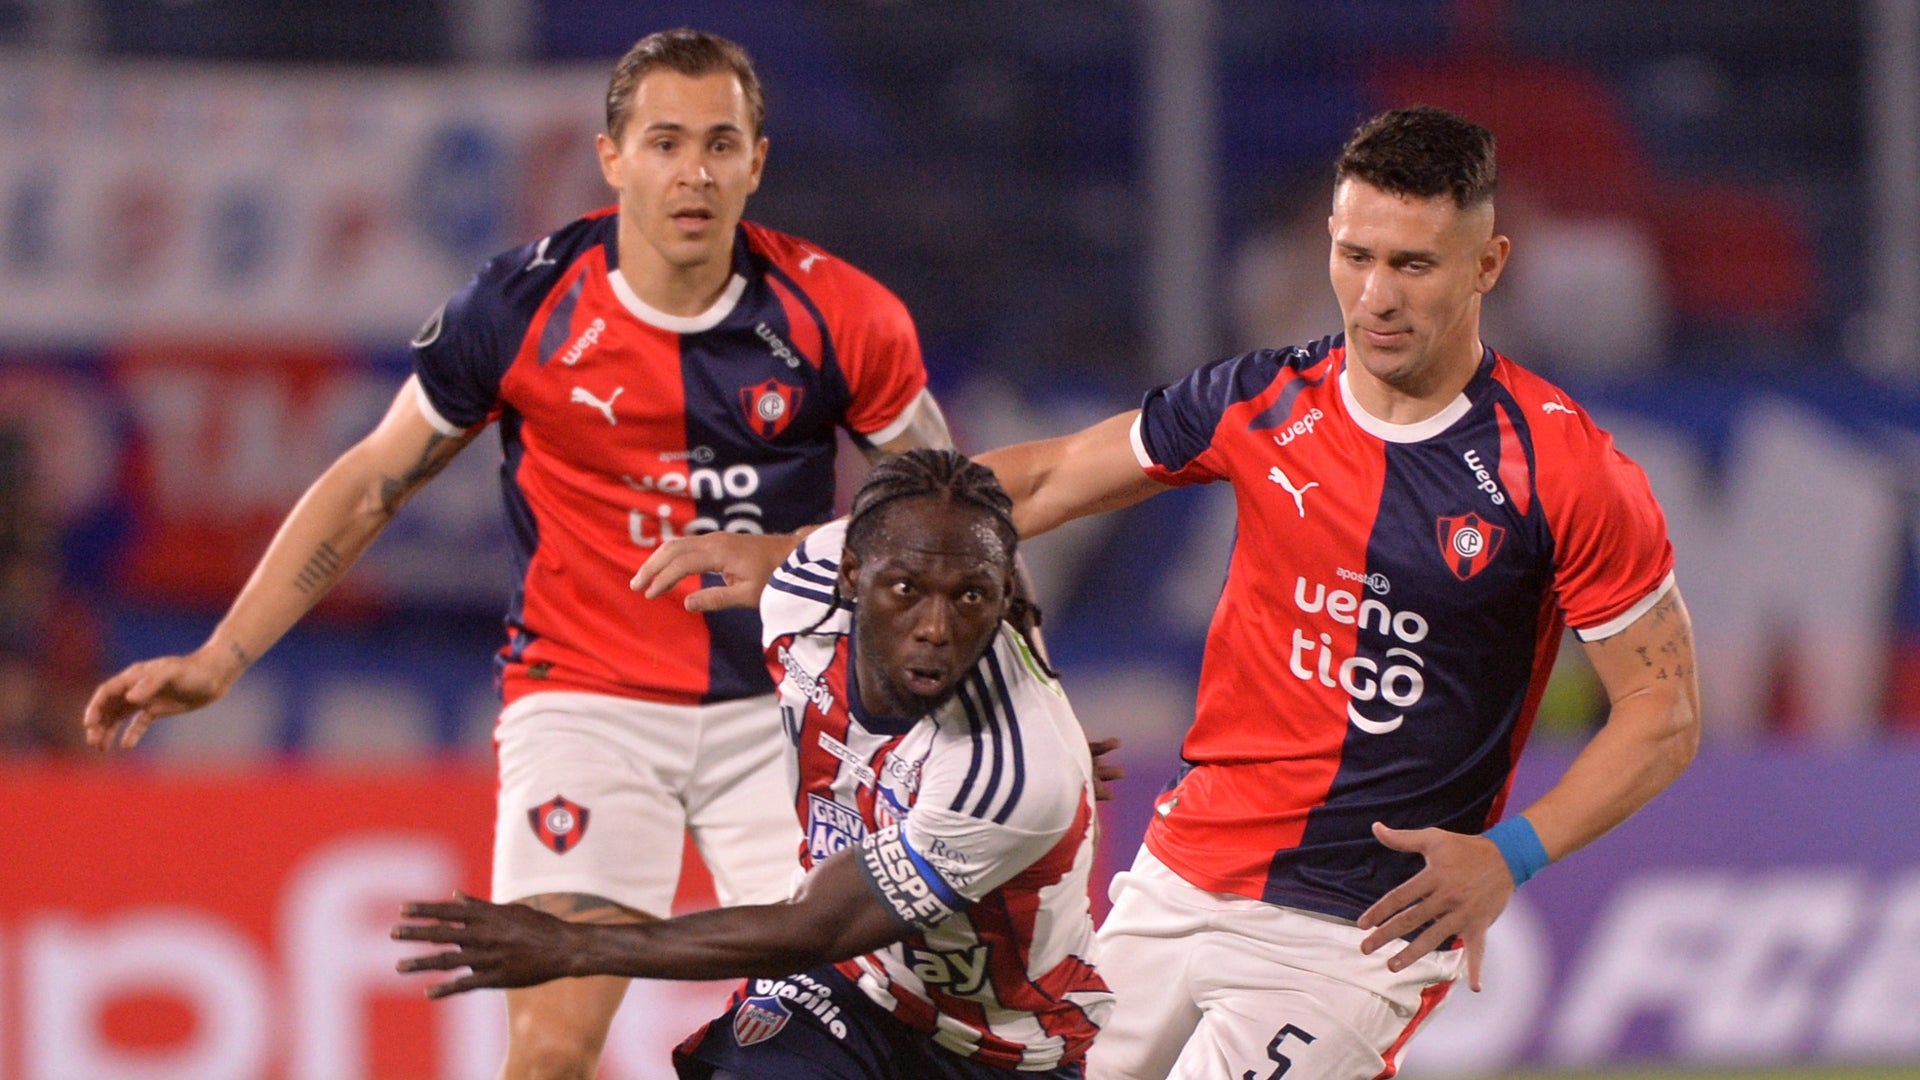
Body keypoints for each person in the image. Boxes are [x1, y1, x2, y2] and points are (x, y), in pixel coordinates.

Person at [635, 106, 1702, 1080]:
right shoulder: (1261, 398)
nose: (1377, 295)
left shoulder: (1565, 472)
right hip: (1178, 880)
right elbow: (1049, 479)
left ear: (1488, 264)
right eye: (1355, 255)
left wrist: (1510, 856)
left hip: (1355, 934)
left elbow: (1664, 711)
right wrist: (820, 549)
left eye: (1415, 264)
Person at [81, 28, 953, 1080]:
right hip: (586, 713)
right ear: (611, 158)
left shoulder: (841, 316)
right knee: (547, 1053)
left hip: (787, 715)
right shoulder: (519, 306)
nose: (694, 171)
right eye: (666, 142)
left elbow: (955, 521)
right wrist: (221, 659)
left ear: (757, 162)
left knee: (858, 1040)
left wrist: (1000, 701)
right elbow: (372, 481)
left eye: (721, 144)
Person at [394, 449, 1113, 1079]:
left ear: (1002, 597)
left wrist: (572, 946)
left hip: (996, 1049)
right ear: (851, 576)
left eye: (970, 597)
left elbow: (814, 928)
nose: (935, 626)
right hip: (851, 989)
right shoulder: (801, 597)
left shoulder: (1010, 772)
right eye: (905, 590)